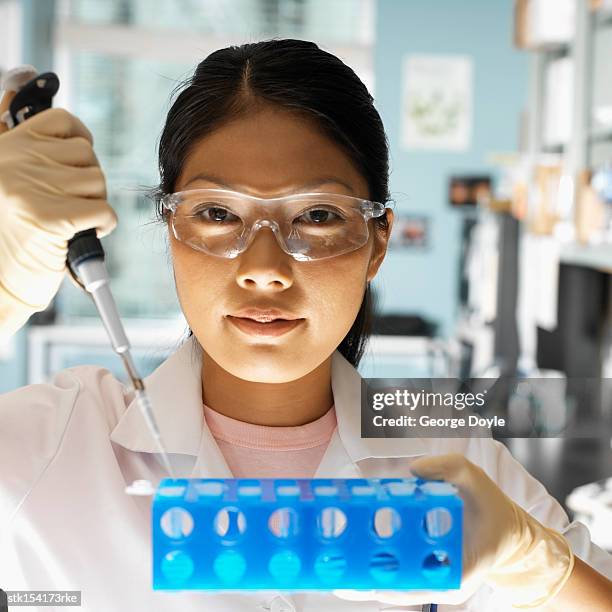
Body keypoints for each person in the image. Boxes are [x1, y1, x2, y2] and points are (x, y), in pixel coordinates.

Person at [0, 40, 610, 612]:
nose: (263, 270)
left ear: (378, 241)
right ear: (170, 231)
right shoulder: (56, 440)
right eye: (216, 213)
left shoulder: (454, 459)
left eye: (317, 215)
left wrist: (539, 562)